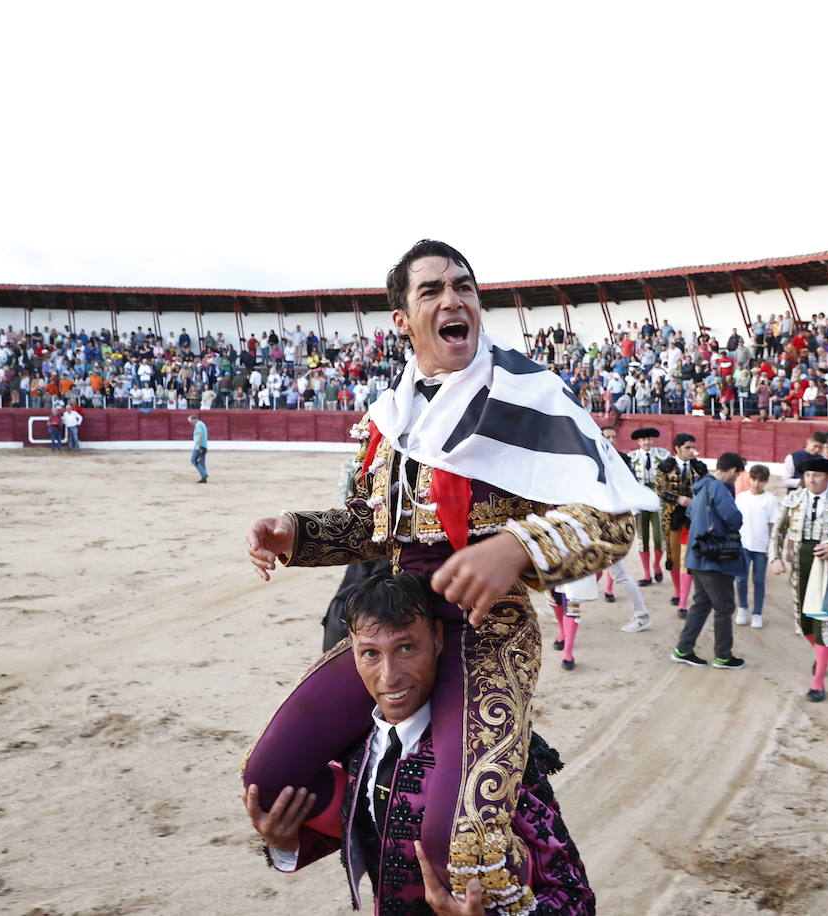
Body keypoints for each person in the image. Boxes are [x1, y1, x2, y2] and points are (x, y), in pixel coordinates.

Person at [243, 240, 652, 912]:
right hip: (403, 624)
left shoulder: (529, 395)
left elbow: (613, 520)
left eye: (463, 285)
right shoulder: (396, 414)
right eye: (430, 290)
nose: (452, 299)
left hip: (488, 633)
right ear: (402, 319)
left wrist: (516, 547)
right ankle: (334, 841)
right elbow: (376, 530)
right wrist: (297, 531)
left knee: (461, 841)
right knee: (269, 777)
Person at [245, 571, 596, 914]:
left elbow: (573, 895)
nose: (389, 676)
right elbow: (361, 830)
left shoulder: (496, 749)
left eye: (406, 647)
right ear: (352, 653)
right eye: (370, 653)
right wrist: (286, 845)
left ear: (438, 640)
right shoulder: (358, 746)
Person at [769, 456, 828, 701]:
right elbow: (778, 532)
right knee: (804, 623)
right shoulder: (794, 499)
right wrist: (775, 558)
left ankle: (818, 681)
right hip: (801, 563)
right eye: (808, 475)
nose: (810, 480)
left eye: (817, 476)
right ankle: (822, 657)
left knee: (823, 622)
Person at [670, 452, 747, 670]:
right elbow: (735, 519)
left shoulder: (701, 486)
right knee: (724, 607)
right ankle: (723, 655)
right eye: (737, 473)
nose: (736, 478)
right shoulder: (719, 489)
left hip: (697, 555)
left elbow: (693, 514)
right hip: (714, 559)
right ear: (733, 470)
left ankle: (683, 649)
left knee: (702, 604)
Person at [601, 426, 653, 633]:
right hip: (602, 521)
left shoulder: (622, 460)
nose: (611, 440)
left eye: (613, 437)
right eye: (607, 437)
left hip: (613, 523)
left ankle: (642, 615)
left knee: (619, 572)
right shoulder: (596, 457)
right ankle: (560, 605)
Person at [654, 432, 708, 615]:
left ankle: (683, 599)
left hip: (694, 518)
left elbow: (708, 488)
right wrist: (678, 499)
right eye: (688, 447)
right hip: (672, 516)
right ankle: (678, 591)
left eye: (693, 447)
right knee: (673, 557)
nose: (692, 451)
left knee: (688, 557)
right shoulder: (665, 466)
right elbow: (659, 490)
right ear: (677, 448)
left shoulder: (699, 467)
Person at [734, 464, 777, 628]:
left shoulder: (770, 499)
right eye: (753, 479)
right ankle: (743, 607)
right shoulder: (741, 497)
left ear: (765, 482)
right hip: (743, 544)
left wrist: (770, 547)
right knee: (741, 578)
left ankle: (757, 612)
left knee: (759, 580)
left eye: (760, 481)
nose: (756, 483)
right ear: (749, 478)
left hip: (761, 546)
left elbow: (772, 525)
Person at [627, 427, 667, 585]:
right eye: (644, 440)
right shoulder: (632, 457)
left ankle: (656, 565)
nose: (647, 442)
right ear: (638, 442)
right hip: (640, 502)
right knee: (642, 539)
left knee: (659, 538)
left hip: (658, 503)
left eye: (649, 439)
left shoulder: (663, 455)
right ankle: (646, 574)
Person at [189, 415, 209, 483]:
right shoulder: (202, 424)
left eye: (191, 421)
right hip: (204, 446)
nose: (191, 423)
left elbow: (200, 435)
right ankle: (204, 478)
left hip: (199, 447)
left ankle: (204, 474)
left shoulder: (198, 424)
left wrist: (199, 446)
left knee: (193, 460)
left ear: (194, 419)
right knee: (201, 462)